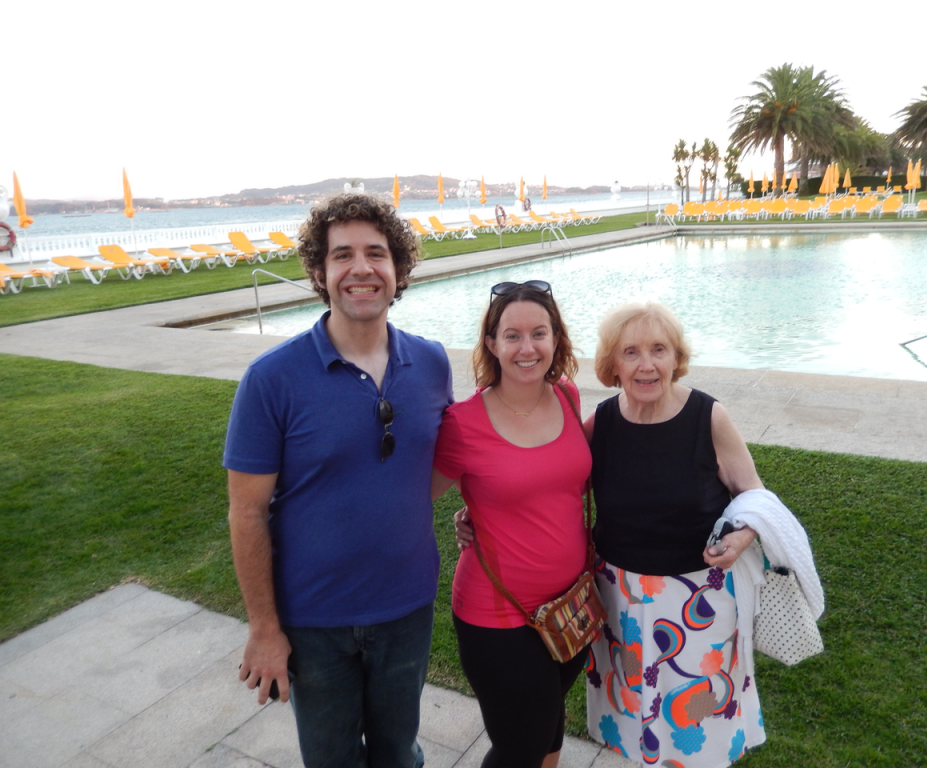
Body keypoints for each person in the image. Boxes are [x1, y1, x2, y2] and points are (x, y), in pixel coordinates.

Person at [224, 194, 453, 768]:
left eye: (376, 253)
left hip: (407, 607)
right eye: (342, 255)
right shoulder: (271, 379)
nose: (361, 268)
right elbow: (246, 512)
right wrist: (264, 628)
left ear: (398, 269)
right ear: (320, 272)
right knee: (331, 760)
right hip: (314, 618)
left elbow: (439, 461)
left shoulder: (431, 363)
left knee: (400, 754)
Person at [583, 302, 767, 766]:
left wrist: (742, 539)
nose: (647, 364)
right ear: (613, 365)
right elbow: (552, 484)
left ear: (675, 357)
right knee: (635, 711)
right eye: (631, 352)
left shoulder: (708, 417)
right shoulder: (600, 423)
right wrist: (480, 511)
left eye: (659, 349)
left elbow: (753, 494)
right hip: (620, 598)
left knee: (696, 720)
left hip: (698, 602)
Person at [431, 280, 592, 768]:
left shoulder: (567, 396)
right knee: (520, 747)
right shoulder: (463, 422)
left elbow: (557, 487)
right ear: (492, 344)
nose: (528, 348)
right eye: (513, 335)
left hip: (571, 606)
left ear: (556, 338)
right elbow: (412, 499)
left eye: (539, 333)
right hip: (497, 614)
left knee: (549, 729)